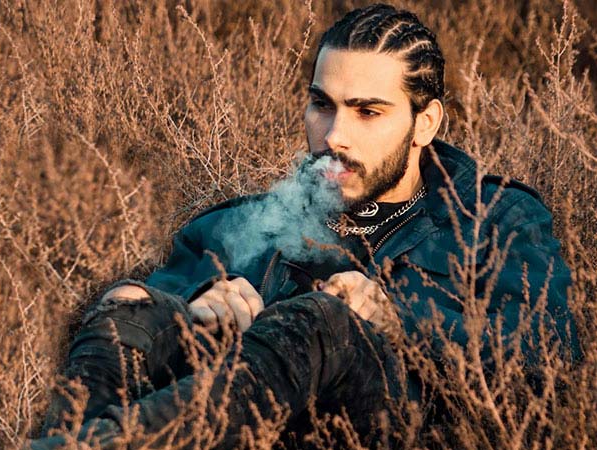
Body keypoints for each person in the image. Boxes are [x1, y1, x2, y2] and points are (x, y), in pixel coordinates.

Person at [30, 3, 581, 448]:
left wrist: (400, 320)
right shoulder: (254, 222)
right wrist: (199, 304)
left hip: (410, 431)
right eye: (322, 105)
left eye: (368, 112)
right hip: (262, 431)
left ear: (424, 122)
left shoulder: (495, 218)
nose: (334, 135)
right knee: (128, 302)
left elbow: (550, 356)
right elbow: (155, 311)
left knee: (324, 321)